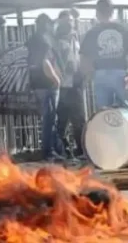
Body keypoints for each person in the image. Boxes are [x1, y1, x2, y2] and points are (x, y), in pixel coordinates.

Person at [80, 0, 128, 112]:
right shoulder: (124, 29)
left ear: (97, 13)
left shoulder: (92, 32)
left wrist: (90, 73)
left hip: (100, 74)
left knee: (104, 113)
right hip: (121, 73)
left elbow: (84, 57)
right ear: (112, 12)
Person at [27, 13, 62, 162]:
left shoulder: (32, 40)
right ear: (46, 24)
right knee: (50, 119)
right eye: (50, 24)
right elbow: (45, 62)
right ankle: (49, 152)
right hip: (47, 84)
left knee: (48, 118)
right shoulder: (43, 41)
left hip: (37, 84)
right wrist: (55, 79)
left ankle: (53, 149)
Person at [54, 10, 86, 158]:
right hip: (62, 85)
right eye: (66, 21)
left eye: (71, 21)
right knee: (62, 120)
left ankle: (81, 150)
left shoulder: (76, 38)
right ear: (60, 22)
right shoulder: (56, 41)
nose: (69, 24)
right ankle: (63, 150)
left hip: (76, 84)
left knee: (79, 119)